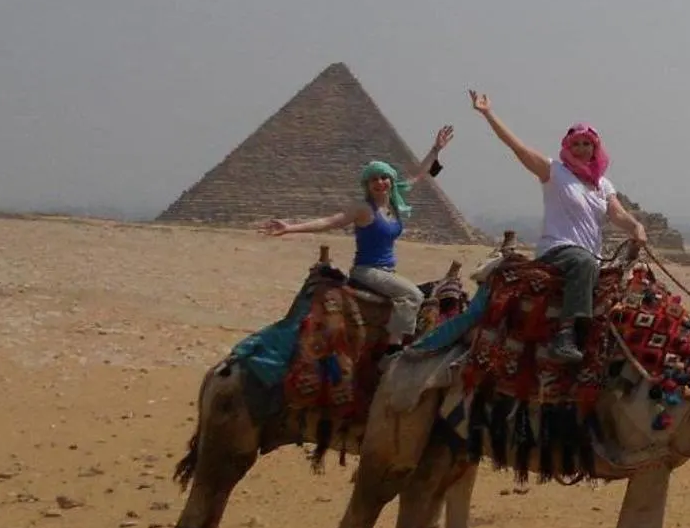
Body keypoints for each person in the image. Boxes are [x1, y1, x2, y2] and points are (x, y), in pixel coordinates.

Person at [468, 90, 646, 363]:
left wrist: (635, 227)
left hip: (591, 256)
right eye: (576, 144)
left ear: (595, 148)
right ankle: (564, 334)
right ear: (567, 146)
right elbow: (518, 148)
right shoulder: (554, 172)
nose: (582, 149)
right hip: (559, 249)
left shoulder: (602, 185)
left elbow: (618, 214)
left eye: (588, 144)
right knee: (584, 263)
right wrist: (488, 113)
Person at [262, 125, 454, 340]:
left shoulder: (395, 202)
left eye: (384, 177)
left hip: (387, 272)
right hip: (367, 271)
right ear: (367, 184)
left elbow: (419, 175)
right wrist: (290, 228)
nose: (380, 182)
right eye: (374, 179)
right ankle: (396, 346)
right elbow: (331, 221)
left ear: (391, 180)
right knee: (413, 295)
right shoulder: (363, 208)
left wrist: (436, 149)